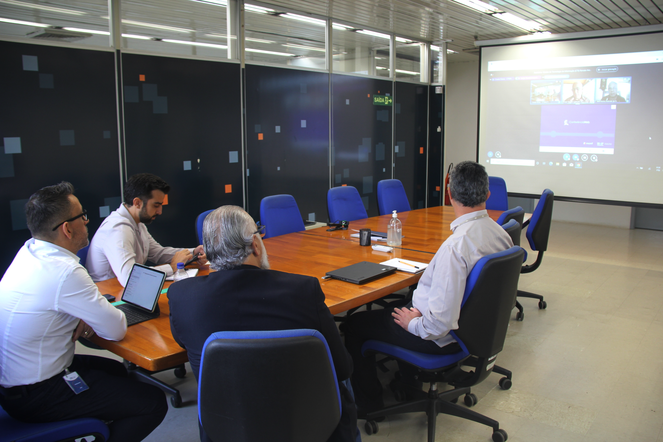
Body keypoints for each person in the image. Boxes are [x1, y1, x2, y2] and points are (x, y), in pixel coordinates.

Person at [168, 205, 357, 442]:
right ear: (255, 245)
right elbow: (342, 368)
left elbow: (182, 340)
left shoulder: (181, 297)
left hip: (226, 427)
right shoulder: (303, 290)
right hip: (308, 424)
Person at [342, 161, 514, 414]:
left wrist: (413, 323)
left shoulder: (456, 248)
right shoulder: (500, 234)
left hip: (441, 337)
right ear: (487, 195)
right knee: (401, 304)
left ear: (450, 195)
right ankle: (407, 381)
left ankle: (368, 406)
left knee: (354, 325)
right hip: (474, 330)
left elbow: (438, 325)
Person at [0, 182, 167, 441]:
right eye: (83, 216)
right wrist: (87, 314)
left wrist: (80, 314)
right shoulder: (66, 271)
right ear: (67, 229)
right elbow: (115, 329)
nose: (88, 222)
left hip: (14, 384)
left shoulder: (30, 251)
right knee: (153, 402)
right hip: (38, 393)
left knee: (116, 371)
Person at [87, 173, 206, 285]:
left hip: (129, 290)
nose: (160, 211)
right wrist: (171, 267)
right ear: (137, 203)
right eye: (156, 205)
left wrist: (193, 253)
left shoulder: (136, 222)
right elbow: (129, 277)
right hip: (112, 295)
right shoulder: (118, 229)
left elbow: (157, 253)